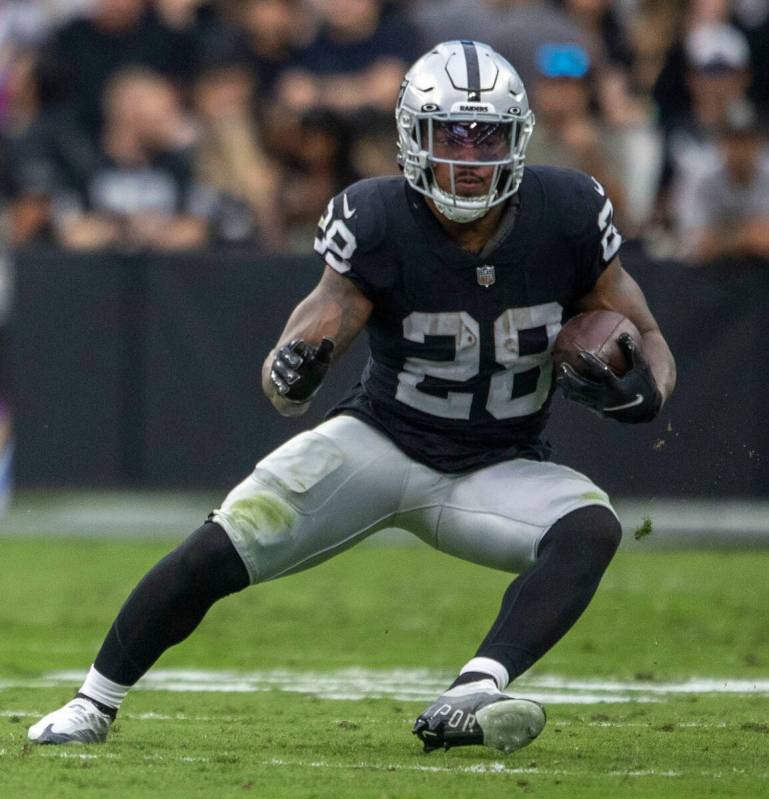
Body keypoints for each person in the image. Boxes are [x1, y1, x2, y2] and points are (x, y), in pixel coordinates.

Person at [28, 40, 676, 753]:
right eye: (447, 135)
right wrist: (292, 369)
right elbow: (301, 350)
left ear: (517, 139)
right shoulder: (378, 217)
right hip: (382, 443)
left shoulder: (568, 211)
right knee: (219, 545)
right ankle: (93, 701)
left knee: (591, 526)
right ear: (409, 139)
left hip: (496, 466)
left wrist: (640, 389)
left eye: (485, 135)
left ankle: (474, 689)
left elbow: (645, 332)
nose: (466, 156)